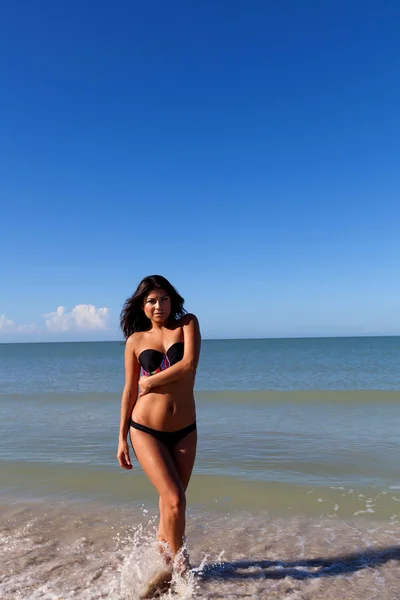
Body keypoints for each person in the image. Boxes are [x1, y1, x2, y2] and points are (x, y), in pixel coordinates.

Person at [117, 275, 201, 595]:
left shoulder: (188, 324)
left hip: (185, 429)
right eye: (151, 301)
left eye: (163, 299)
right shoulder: (135, 341)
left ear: (172, 300)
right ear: (142, 305)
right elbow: (128, 391)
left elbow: (189, 365)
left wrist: (151, 382)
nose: (158, 306)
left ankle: (162, 557)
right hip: (145, 429)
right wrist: (121, 437)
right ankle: (181, 567)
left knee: (171, 503)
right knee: (175, 498)